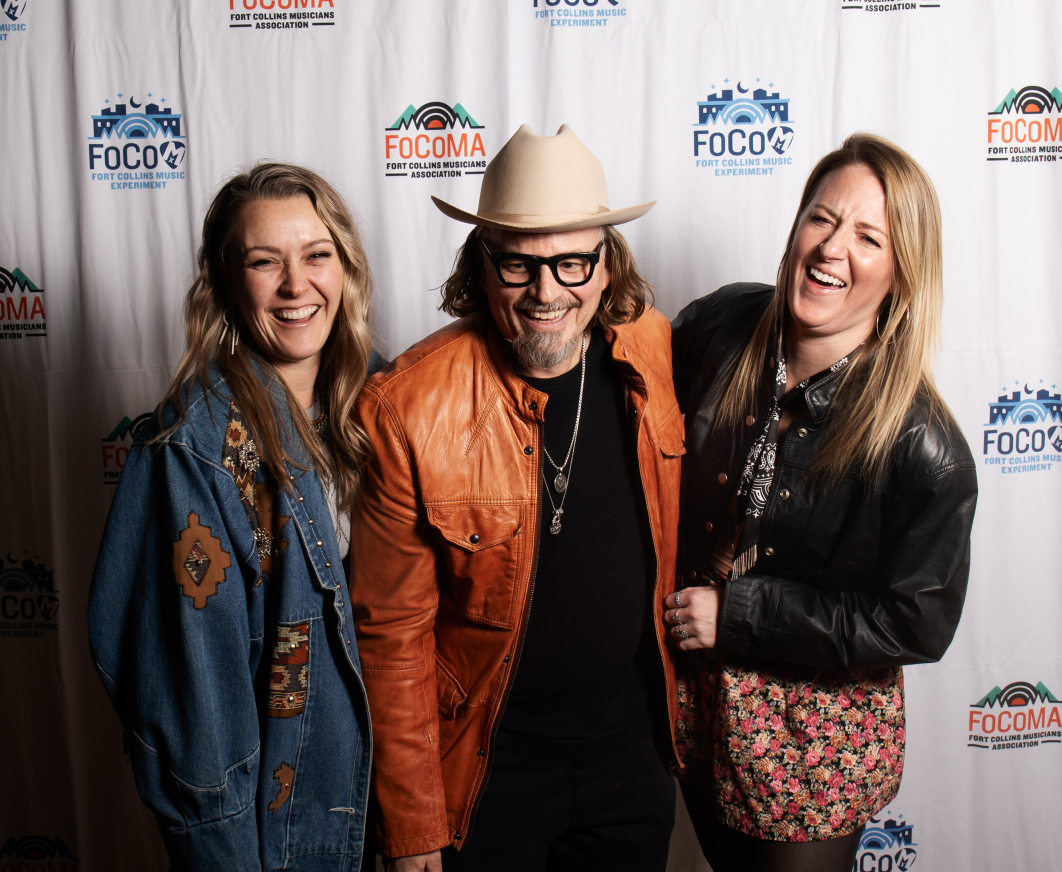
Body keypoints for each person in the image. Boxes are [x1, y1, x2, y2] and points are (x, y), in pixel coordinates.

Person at [350, 124, 684, 872]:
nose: (547, 292)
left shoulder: (651, 352)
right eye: (518, 266)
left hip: (631, 760)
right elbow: (390, 635)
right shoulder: (408, 408)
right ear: (481, 264)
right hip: (490, 769)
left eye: (572, 262)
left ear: (607, 265)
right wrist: (412, 827)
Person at [666, 133, 978, 871]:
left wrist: (738, 614)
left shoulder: (925, 445)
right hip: (692, 692)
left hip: (810, 734)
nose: (832, 248)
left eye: (869, 236)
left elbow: (915, 622)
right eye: (821, 218)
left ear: (902, 274)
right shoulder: (717, 327)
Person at [88, 163, 383, 871]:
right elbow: (194, 718)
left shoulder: (386, 403)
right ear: (224, 281)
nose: (295, 285)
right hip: (281, 843)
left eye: (316, 255)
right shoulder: (197, 450)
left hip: (386, 816)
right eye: (263, 262)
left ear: (345, 267)